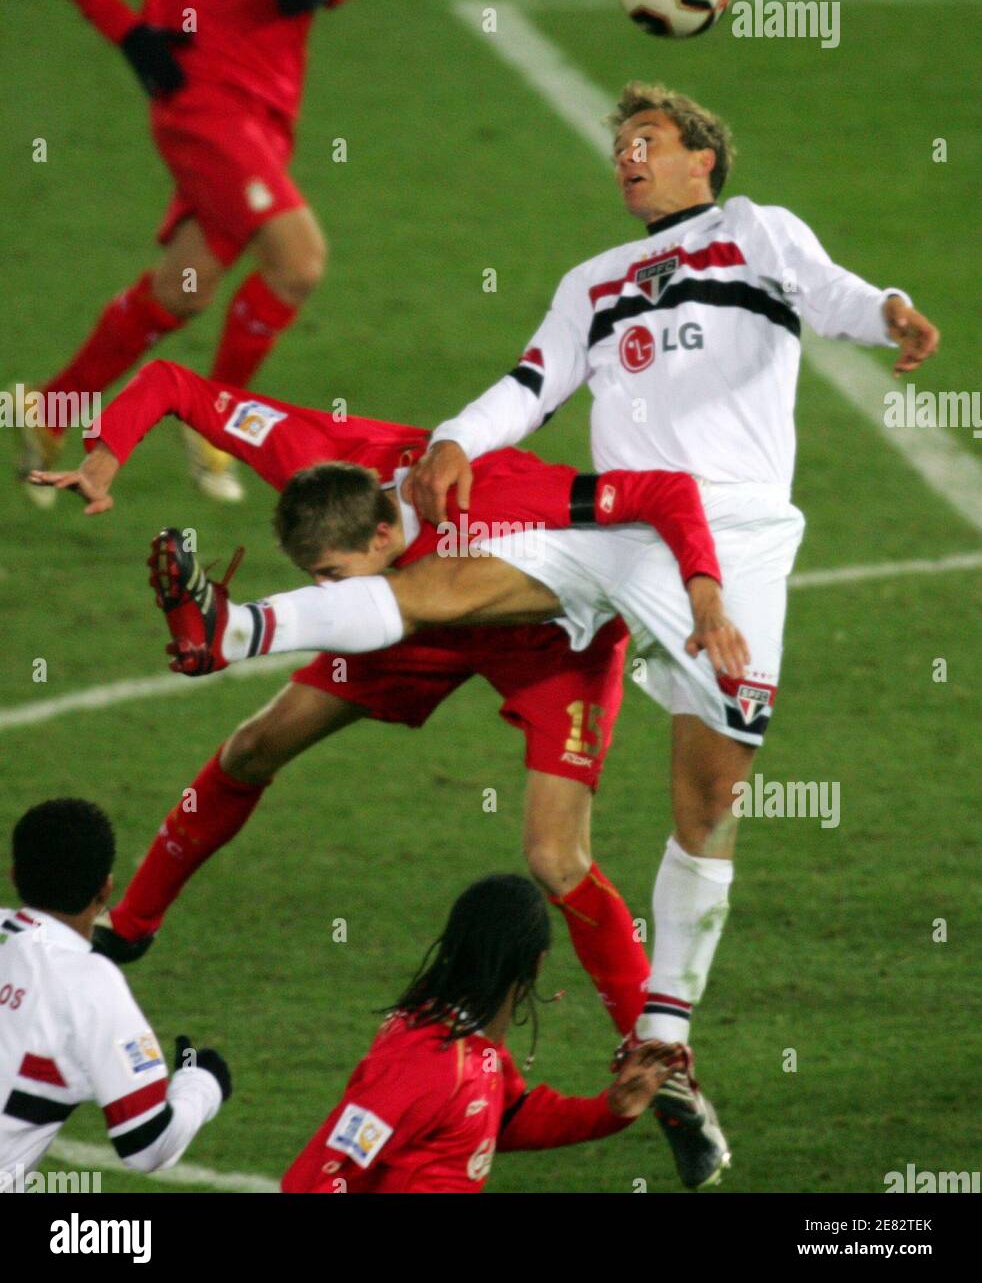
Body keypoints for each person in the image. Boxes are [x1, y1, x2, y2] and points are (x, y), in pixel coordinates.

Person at [148, 81, 940, 1188]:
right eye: (621, 144)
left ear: (701, 158)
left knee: (707, 798)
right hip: (620, 522)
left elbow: (832, 293)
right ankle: (235, 626)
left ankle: (665, 1037)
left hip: (738, 535)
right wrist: (457, 443)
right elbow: (530, 381)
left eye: (649, 141)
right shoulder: (591, 282)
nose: (628, 156)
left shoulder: (755, 232)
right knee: (444, 586)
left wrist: (892, 308)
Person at [32, 359, 738, 1076]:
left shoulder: (500, 495)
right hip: (404, 624)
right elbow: (173, 384)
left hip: (546, 643)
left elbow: (664, 491)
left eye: (330, 578)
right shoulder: (322, 466)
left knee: (555, 857)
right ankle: (128, 930)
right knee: (254, 747)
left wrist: (705, 592)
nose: (321, 588)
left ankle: (654, 1053)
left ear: (378, 534)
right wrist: (104, 453)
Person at [20, 0, 368, 505]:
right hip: (200, 105)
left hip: (272, 113)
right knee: (297, 263)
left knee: (183, 288)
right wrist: (129, 34)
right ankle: (217, 423)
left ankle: (49, 409)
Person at [282, 874, 691, 1193]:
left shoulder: (473, 1049)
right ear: (537, 964)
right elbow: (322, 1170)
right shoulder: (426, 1062)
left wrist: (610, 1108)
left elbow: (503, 1117)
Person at [0, 798, 231, 1191]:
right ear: (106, 887)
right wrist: (202, 1084)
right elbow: (148, 1143)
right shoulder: (92, 986)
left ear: (14, 874)